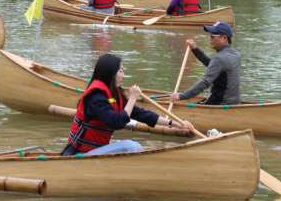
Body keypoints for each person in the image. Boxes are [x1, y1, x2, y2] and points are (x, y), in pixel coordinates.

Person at [62, 53, 193, 156]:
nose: (123, 76)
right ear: (110, 73)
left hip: (97, 150)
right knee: (130, 146)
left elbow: (143, 114)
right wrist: (132, 99)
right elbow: (118, 123)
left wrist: (173, 123)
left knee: (136, 147)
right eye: (121, 71)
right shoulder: (95, 97)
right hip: (79, 154)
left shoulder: (114, 93)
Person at [169, 22, 241, 106]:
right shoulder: (236, 55)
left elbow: (204, 82)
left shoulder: (219, 58)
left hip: (218, 103)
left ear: (224, 38)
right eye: (209, 35)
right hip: (235, 102)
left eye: (212, 36)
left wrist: (182, 96)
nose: (210, 39)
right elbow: (214, 65)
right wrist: (195, 49)